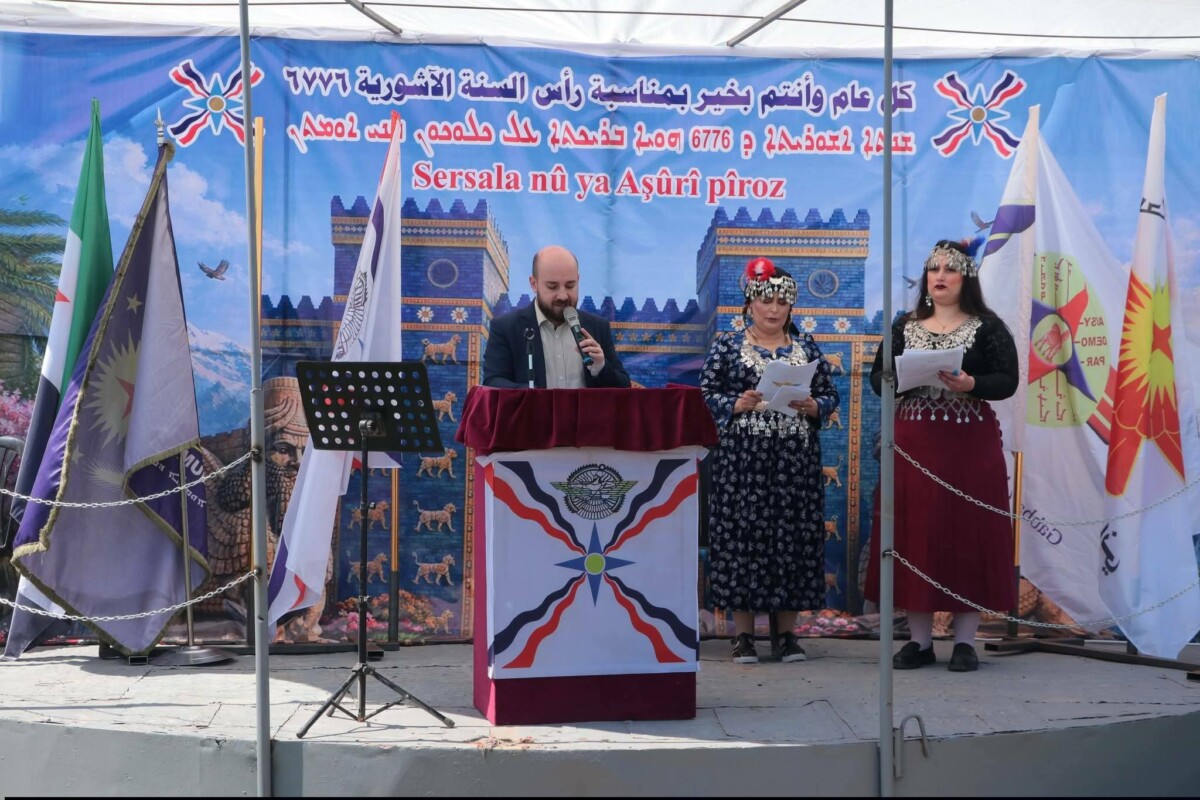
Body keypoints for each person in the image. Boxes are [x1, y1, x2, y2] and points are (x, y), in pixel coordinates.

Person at [866, 237, 1018, 672]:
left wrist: (972, 384)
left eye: (950, 269)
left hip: (969, 443)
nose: (940, 277)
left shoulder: (988, 327)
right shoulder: (904, 326)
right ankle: (919, 641)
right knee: (915, 534)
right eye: (934, 269)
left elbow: (1007, 380)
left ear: (966, 278)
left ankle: (965, 641)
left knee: (967, 532)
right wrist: (903, 379)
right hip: (915, 443)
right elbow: (878, 377)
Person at [700, 257, 840, 664]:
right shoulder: (728, 346)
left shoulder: (806, 347)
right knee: (743, 540)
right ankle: (743, 636)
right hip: (743, 463)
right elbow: (705, 394)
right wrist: (736, 403)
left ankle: (787, 635)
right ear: (750, 303)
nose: (774, 310)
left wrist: (815, 405)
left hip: (795, 461)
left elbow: (830, 394)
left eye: (782, 302)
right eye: (766, 301)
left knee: (793, 541)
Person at [482, 245, 630, 389]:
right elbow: (492, 382)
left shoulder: (597, 327)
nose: (563, 296)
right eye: (552, 286)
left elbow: (624, 388)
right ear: (534, 284)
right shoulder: (506, 328)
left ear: (578, 280)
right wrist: (530, 395)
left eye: (570, 285)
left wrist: (601, 368)